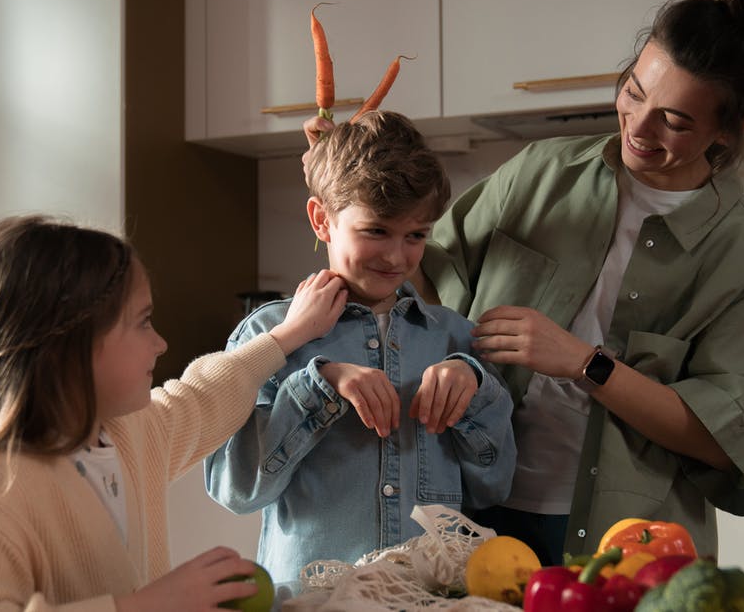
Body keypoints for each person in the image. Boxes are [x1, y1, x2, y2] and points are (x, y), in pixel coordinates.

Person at [300, 0, 744, 567]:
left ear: (732, 127)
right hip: (469, 507)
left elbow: (727, 438)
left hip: (627, 539)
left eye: (674, 121)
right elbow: (411, 268)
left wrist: (585, 363)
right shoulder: (539, 172)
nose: (639, 128)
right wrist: (340, 192)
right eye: (633, 93)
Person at [0, 215, 346, 612]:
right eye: (142, 322)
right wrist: (147, 606)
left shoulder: (125, 435)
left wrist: (287, 337)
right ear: (68, 348)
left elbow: (201, 399)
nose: (160, 343)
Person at [205, 110, 517, 583]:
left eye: (415, 235)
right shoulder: (269, 335)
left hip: (429, 597)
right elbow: (235, 488)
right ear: (321, 220)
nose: (397, 256)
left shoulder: (455, 339)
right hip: (314, 602)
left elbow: (492, 487)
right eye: (376, 230)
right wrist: (318, 387)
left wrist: (475, 388)